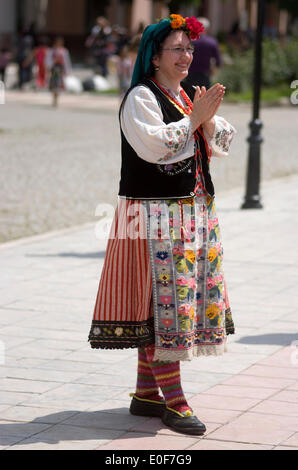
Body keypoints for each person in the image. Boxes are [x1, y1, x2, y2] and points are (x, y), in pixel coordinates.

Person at [88, 14, 236, 436]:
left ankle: (145, 394)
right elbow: (157, 146)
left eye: (189, 48)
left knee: (168, 303)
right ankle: (175, 400)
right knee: (164, 305)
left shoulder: (185, 97)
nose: (187, 55)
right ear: (154, 56)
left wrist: (204, 118)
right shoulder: (142, 97)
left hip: (187, 215)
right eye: (178, 48)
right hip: (154, 216)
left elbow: (222, 140)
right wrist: (195, 120)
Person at [185, 17, 222, 89]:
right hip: (205, 74)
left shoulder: (189, 40)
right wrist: (213, 72)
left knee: (189, 97)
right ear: (207, 28)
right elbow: (218, 61)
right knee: (204, 96)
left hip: (190, 73)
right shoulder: (212, 42)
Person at [46, 37, 72, 107]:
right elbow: (48, 60)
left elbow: (66, 61)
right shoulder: (51, 50)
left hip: (60, 69)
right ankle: (54, 99)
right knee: (54, 84)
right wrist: (51, 64)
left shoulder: (64, 51)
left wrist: (67, 70)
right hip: (54, 69)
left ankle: (56, 99)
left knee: (59, 84)